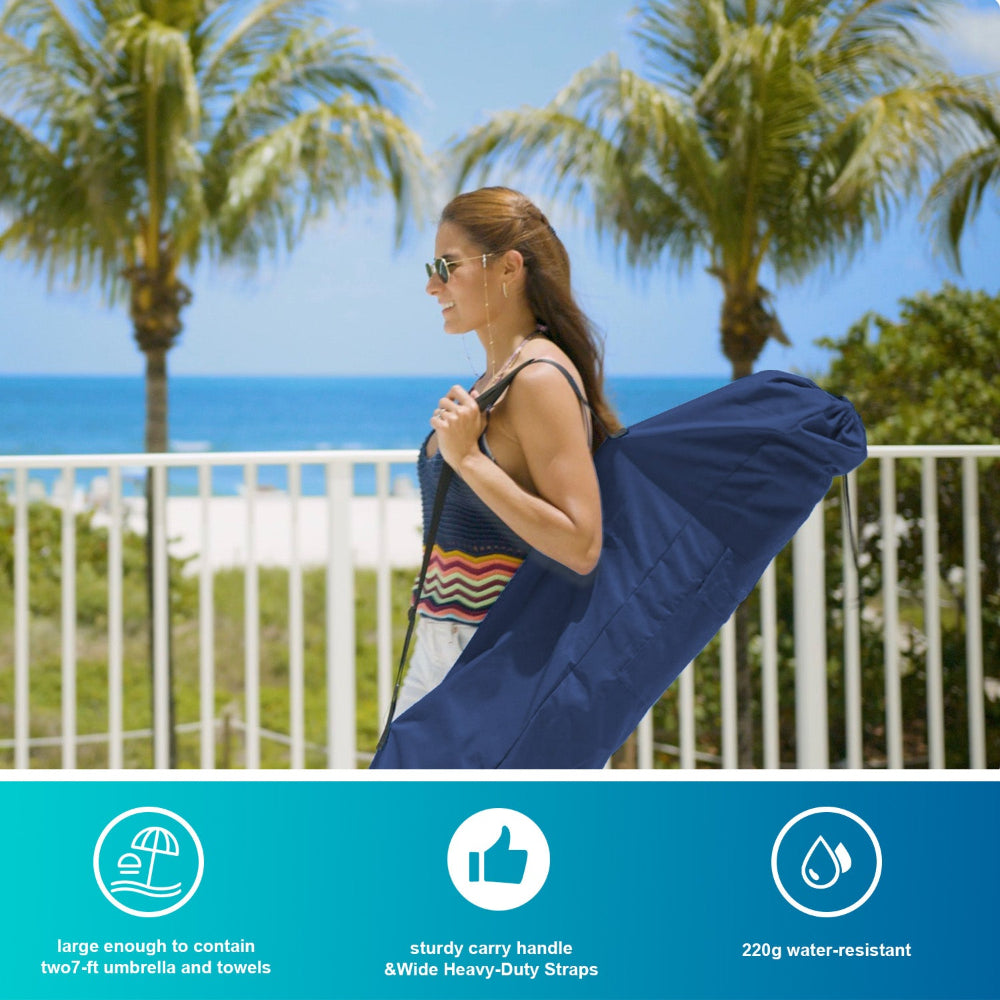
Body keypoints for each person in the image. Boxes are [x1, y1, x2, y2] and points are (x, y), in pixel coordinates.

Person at [391, 186, 622, 716]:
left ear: (509, 268)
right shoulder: (496, 379)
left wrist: (469, 460)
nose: (432, 285)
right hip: (445, 649)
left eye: (447, 266)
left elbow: (581, 543)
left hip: (500, 663)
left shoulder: (539, 378)